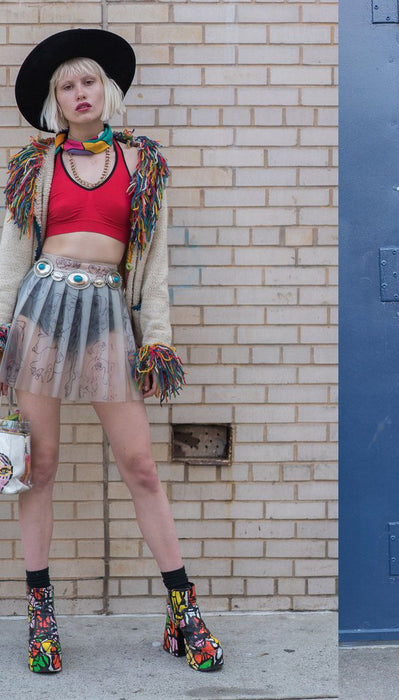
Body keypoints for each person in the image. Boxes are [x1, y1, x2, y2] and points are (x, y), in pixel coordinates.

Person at [0, 29, 223, 674]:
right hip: (39, 313)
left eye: (88, 81)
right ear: (55, 101)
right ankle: (41, 617)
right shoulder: (33, 167)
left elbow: (152, 269)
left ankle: (183, 610)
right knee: (38, 469)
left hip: (105, 318)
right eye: (66, 86)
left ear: (108, 91)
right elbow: (14, 253)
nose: (78, 93)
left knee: (142, 468)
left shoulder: (143, 164)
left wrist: (157, 343)